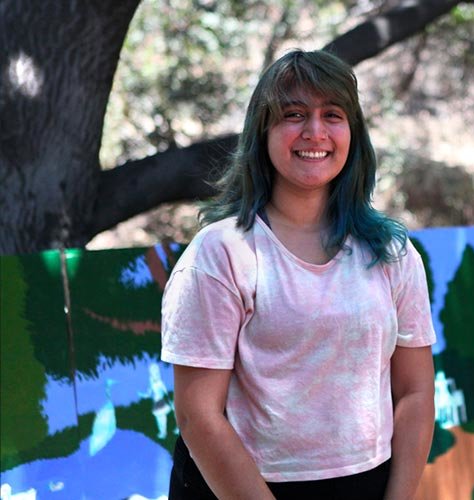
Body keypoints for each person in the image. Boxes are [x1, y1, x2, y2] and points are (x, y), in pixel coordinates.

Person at [160, 49, 436, 500]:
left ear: (353, 133)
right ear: (262, 132)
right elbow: (198, 416)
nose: (315, 131)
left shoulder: (391, 252)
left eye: (333, 114)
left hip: (367, 484)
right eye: (293, 114)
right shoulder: (221, 253)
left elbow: (414, 394)